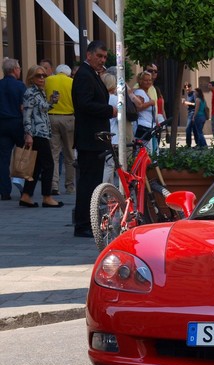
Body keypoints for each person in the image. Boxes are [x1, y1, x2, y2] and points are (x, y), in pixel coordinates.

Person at [71, 40, 117, 238]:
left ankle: (89, 222)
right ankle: (83, 224)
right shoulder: (84, 75)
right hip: (89, 138)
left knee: (93, 182)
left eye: (105, 57)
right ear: (89, 55)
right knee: (88, 183)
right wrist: (109, 110)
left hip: (95, 138)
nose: (102, 60)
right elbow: (84, 104)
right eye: (99, 56)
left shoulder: (92, 74)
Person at [20, 64, 63, 208]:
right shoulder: (30, 93)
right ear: (31, 78)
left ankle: (26, 195)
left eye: (44, 75)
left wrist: (51, 102)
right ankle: (47, 196)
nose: (42, 78)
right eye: (39, 75)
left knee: (36, 166)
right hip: (36, 133)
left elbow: (42, 110)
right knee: (48, 165)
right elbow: (27, 115)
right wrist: (28, 134)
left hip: (43, 132)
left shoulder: (40, 92)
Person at [44, 64, 75, 195]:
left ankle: (54, 184)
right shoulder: (72, 82)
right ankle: (69, 186)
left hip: (51, 117)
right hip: (68, 118)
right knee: (69, 154)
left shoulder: (49, 80)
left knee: (54, 153)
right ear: (67, 74)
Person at [0, 58, 27, 200]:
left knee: (3, 158)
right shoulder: (20, 86)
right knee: (22, 155)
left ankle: (5, 191)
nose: (20, 70)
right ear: (14, 70)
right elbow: (23, 107)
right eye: (19, 68)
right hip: (17, 123)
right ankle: (23, 189)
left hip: (2, 124)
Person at [133, 71, 157, 152]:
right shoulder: (139, 92)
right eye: (146, 80)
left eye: (150, 80)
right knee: (144, 151)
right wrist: (150, 103)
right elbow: (138, 107)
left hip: (148, 126)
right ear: (140, 81)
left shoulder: (145, 92)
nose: (148, 82)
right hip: (142, 126)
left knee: (147, 151)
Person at [101, 73, 118, 184]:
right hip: (114, 135)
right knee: (110, 164)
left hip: (104, 134)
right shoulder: (115, 99)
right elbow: (119, 119)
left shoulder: (101, 98)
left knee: (107, 164)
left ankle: (109, 193)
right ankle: (101, 189)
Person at [181, 82, 197, 147]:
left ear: (191, 87)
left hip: (193, 112)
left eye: (188, 87)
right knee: (193, 128)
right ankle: (194, 143)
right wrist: (184, 103)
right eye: (186, 87)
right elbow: (189, 104)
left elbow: (195, 104)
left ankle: (189, 144)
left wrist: (187, 103)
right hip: (189, 112)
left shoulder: (194, 94)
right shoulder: (187, 95)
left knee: (188, 128)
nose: (187, 88)